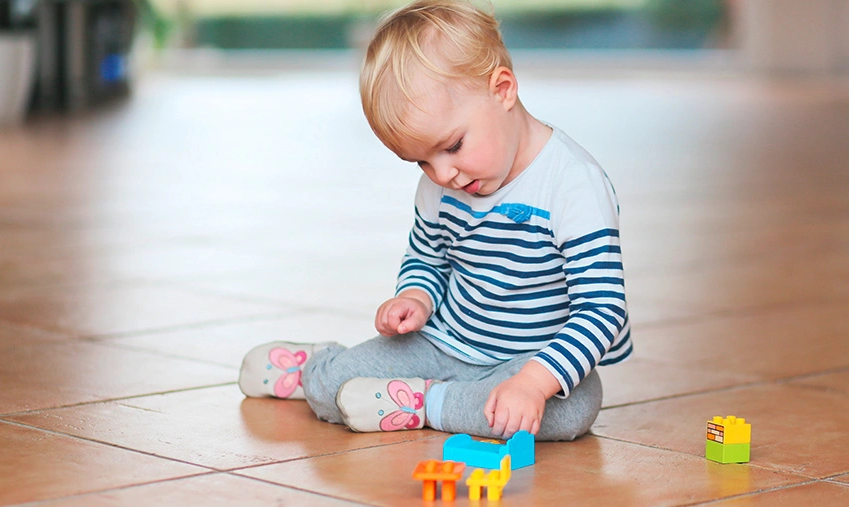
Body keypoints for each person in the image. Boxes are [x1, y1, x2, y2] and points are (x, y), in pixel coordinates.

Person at [239, 0, 632, 441]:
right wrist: (415, 297)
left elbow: (603, 309)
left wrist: (533, 384)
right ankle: (317, 369)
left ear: (502, 90)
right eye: (421, 162)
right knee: (332, 386)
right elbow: (427, 257)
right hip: (444, 342)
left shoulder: (573, 184)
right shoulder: (444, 184)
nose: (442, 174)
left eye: (453, 146)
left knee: (571, 412)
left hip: (531, 360)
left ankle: (421, 403)